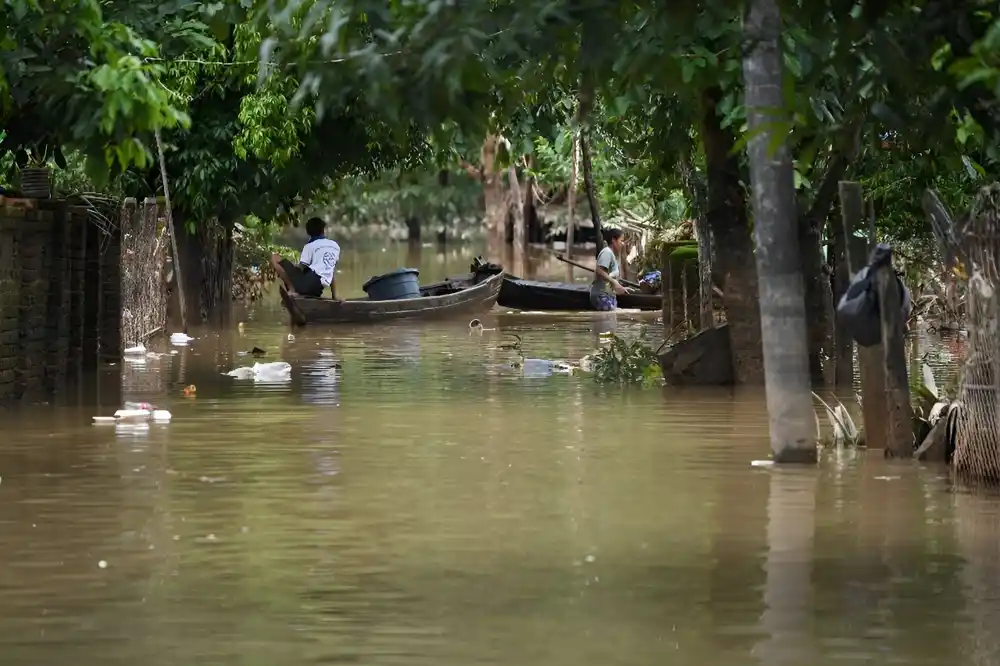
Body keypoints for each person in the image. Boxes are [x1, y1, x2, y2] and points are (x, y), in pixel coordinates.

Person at [271, 217, 341, 299]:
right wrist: (334, 296)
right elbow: (331, 270)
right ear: (323, 230)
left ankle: (292, 290)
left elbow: (301, 268)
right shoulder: (335, 246)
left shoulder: (309, 246)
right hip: (319, 289)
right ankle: (310, 295)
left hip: (309, 284)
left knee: (275, 258)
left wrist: (290, 267)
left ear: (308, 232)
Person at [589, 228, 630, 311]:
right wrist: (614, 282)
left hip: (608, 294)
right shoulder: (607, 252)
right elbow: (599, 270)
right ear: (614, 240)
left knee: (611, 321)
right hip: (601, 295)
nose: (623, 244)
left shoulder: (613, 255)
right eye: (621, 241)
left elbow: (608, 276)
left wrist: (619, 287)